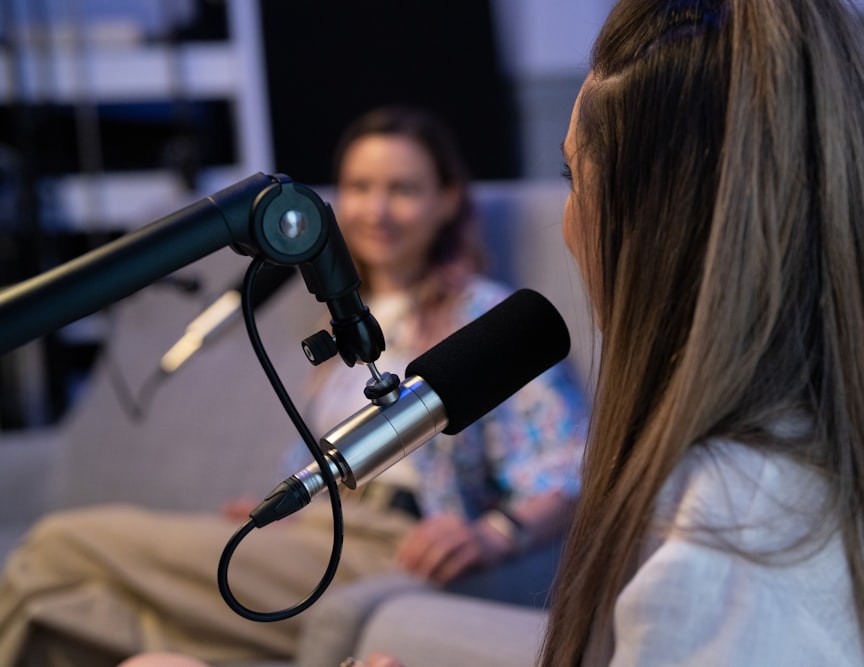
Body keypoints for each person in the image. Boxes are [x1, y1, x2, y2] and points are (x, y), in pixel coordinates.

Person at [84, 1, 864, 666]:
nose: (567, 226)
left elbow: (559, 474)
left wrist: (487, 532)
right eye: (358, 187)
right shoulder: (848, 460)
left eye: (575, 181)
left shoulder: (726, 558)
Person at [0, 106, 588, 666]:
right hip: (312, 527)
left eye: (403, 189)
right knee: (59, 607)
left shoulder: (488, 321)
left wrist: (496, 533)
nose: (377, 209)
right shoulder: (336, 320)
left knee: (55, 547)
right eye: (360, 187)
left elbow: (569, 463)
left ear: (447, 199)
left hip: (385, 543)